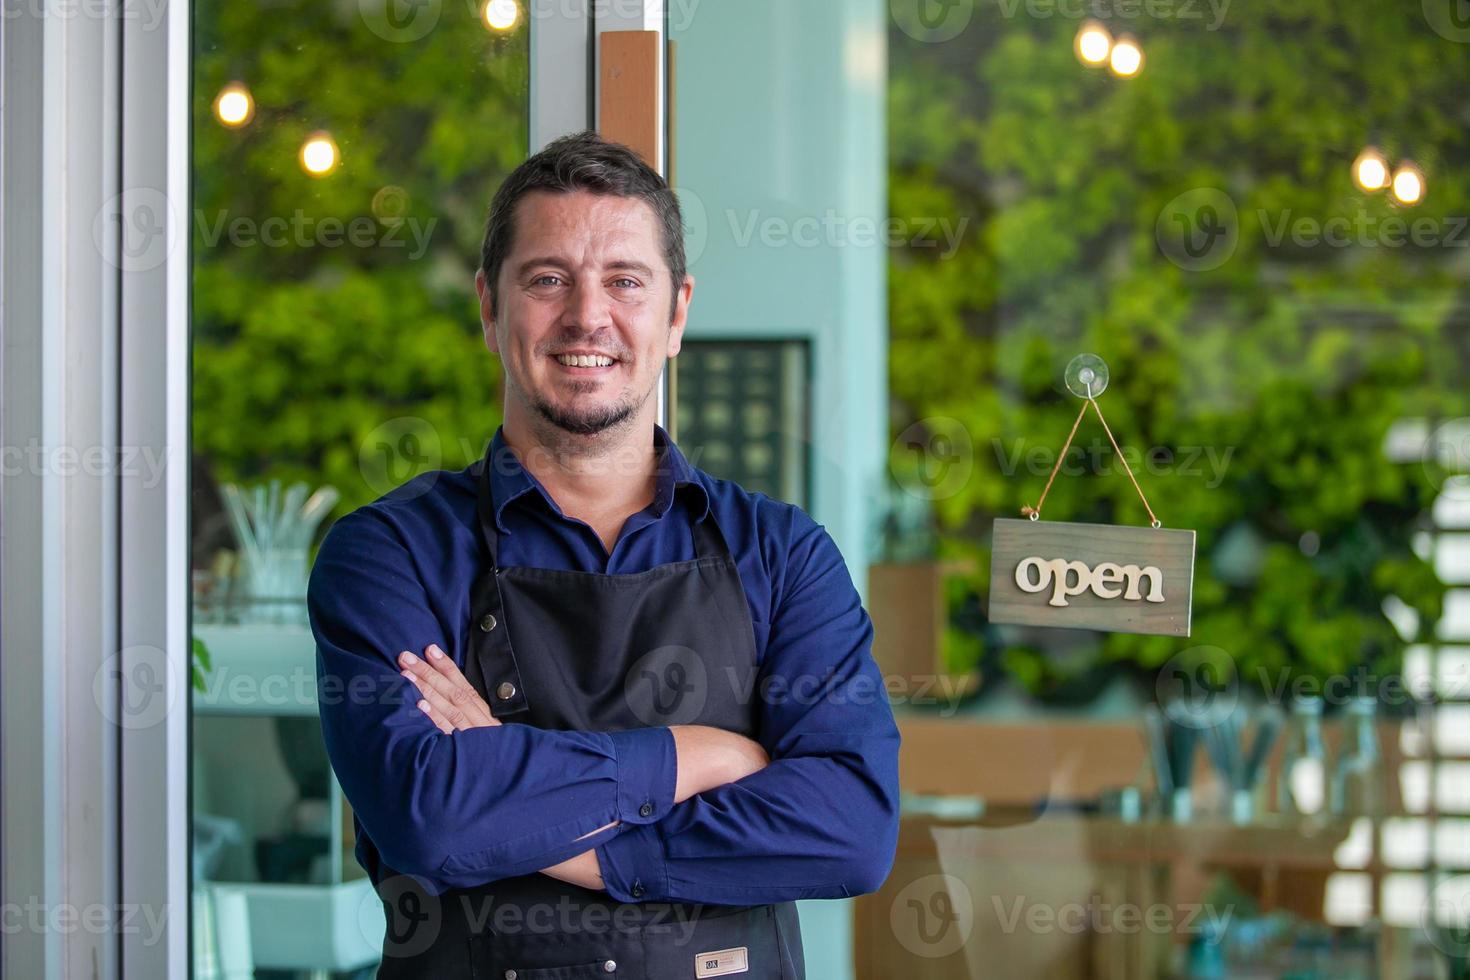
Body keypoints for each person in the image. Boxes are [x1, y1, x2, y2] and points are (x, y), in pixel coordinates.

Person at [307, 131, 900, 979]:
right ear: (488, 306)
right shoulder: (390, 553)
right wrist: (703, 757)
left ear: (677, 314)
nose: (588, 317)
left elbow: (852, 829)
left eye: (625, 281)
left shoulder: (783, 554)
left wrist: (562, 833)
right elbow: (430, 814)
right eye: (547, 280)